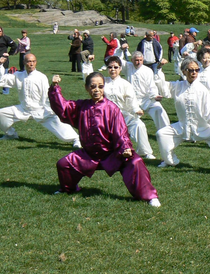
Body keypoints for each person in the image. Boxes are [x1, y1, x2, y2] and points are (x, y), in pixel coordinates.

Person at [49, 72, 160, 207]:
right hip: (89, 155)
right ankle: (69, 189)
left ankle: (149, 196)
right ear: (87, 88)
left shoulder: (112, 108)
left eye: (100, 86)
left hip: (112, 154)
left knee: (136, 162)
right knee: (64, 164)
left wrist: (125, 148)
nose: (97, 90)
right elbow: (63, 108)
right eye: (93, 86)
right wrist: (55, 88)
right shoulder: (81, 107)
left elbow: (121, 131)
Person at [0, 53, 81, 147]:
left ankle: (77, 139)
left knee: (60, 126)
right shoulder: (18, 75)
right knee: (1, 114)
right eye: (29, 61)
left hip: (41, 110)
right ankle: (11, 134)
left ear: (36, 63)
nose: (31, 64)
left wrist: (52, 109)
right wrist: (1, 65)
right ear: (24, 62)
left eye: (33, 61)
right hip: (23, 109)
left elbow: (47, 95)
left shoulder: (41, 77)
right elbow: (2, 80)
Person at [103, 56, 156, 160]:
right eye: (110, 67)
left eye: (115, 67)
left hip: (124, 115)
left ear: (120, 68)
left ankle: (145, 151)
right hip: (107, 117)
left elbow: (132, 100)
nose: (113, 69)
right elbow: (90, 79)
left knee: (139, 125)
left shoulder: (126, 84)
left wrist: (136, 110)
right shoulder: (103, 82)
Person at [0, 27, 17, 94]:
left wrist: (9, 53)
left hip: (3, 60)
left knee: (5, 76)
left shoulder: (6, 38)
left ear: (2, 31)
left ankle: (5, 91)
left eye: (0, 31)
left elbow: (14, 46)